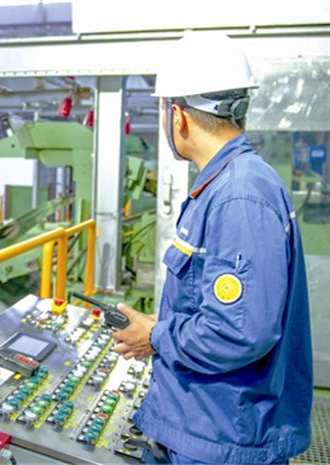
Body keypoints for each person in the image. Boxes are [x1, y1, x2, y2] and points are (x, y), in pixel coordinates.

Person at [112, 32, 313, 465]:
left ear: (178, 116)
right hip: (205, 425)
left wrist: (156, 336)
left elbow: (238, 332)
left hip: (221, 436)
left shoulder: (239, 196)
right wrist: (163, 326)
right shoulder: (230, 184)